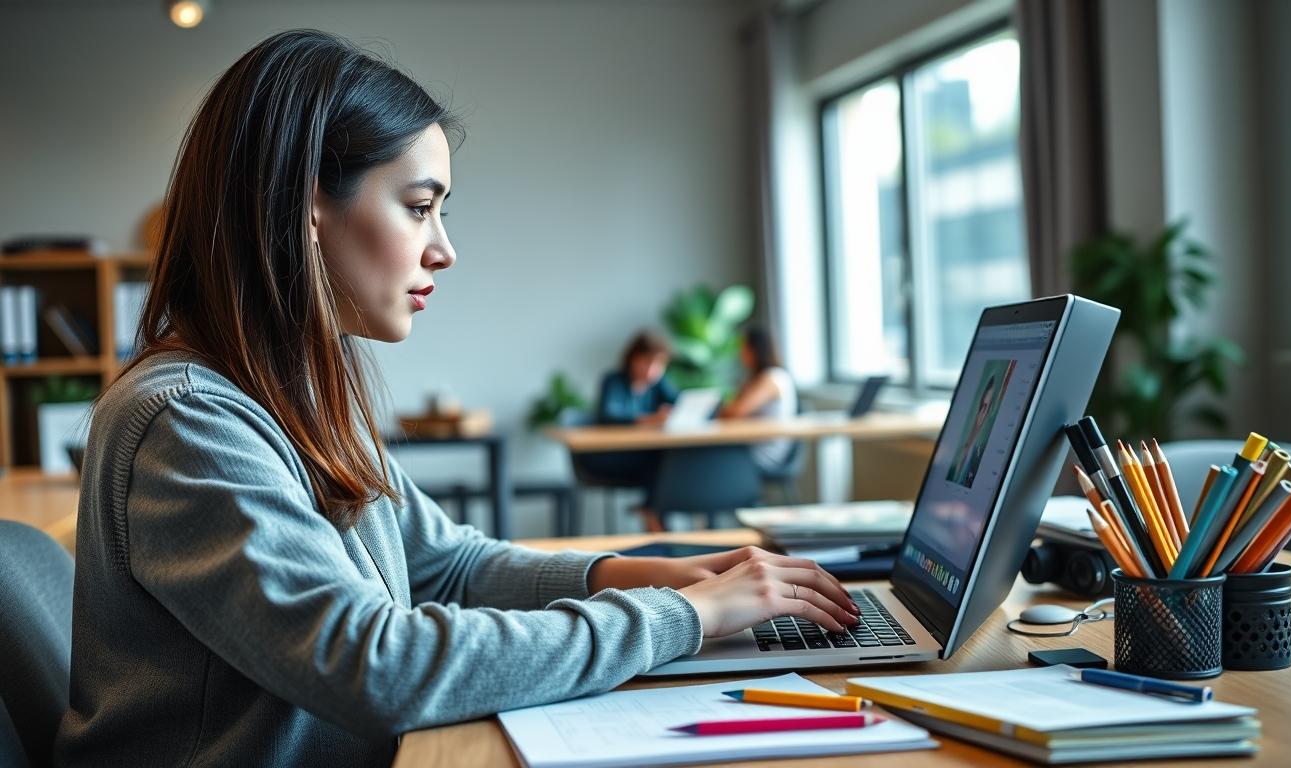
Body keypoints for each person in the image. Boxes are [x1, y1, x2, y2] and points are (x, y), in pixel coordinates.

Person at [54, 30, 859, 768]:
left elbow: (449, 568)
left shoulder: (294, 393)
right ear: (303, 207)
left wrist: (651, 575)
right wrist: (682, 618)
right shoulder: (188, 420)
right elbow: (374, 665)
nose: (443, 248)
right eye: (417, 206)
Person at [581, 330, 678, 531]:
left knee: (671, 457)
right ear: (633, 358)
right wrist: (650, 419)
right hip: (609, 455)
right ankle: (654, 516)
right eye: (647, 362)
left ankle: (652, 511)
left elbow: (678, 402)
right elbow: (609, 416)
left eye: (659, 364)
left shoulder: (658, 384)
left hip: (644, 455)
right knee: (659, 458)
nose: (653, 369)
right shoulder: (613, 380)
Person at [718, 325, 799, 473]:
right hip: (752, 446)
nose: (740, 354)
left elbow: (735, 412)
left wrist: (720, 410)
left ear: (755, 350)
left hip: (764, 453)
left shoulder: (772, 378)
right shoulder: (760, 378)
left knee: (709, 456)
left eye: (743, 349)